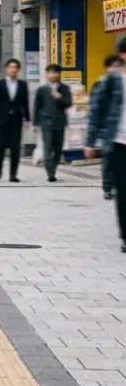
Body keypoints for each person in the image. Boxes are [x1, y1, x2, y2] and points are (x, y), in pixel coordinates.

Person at [84, 36, 126, 252]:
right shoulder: (112, 81)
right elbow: (97, 111)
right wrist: (90, 141)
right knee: (123, 191)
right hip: (118, 142)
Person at [0, 58, 31, 182]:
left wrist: (27, 119)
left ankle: (13, 174)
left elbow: (25, 102)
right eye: (11, 67)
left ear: (19, 70)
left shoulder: (22, 85)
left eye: (15, 67)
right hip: (2, 120)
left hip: (16, 119)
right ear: (6, 69)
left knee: (15, 148)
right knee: (1, 146)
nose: (13, 70)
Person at [33, 64, 73, 182]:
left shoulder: (64, 88)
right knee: (48, 147)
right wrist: (35, 123)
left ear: (59, 74)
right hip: (46, 123)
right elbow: (37, 106)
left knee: (58, 149)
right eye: (50, 72)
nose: (53, 75)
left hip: (60, 122)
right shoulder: (41, 90)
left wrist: (60, 97)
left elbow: (69, 103)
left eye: (55, 72)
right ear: (46, 74)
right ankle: (50, 172)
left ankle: (53, 168)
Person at [91, 55, 123, 199]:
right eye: (112, 66)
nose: (115, 69)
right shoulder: (101, 83)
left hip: (120, 130)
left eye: (118, 65)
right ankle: (108, 187)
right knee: (109, 161)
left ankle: (117, 186)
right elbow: (95, 108)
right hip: (107, 130)